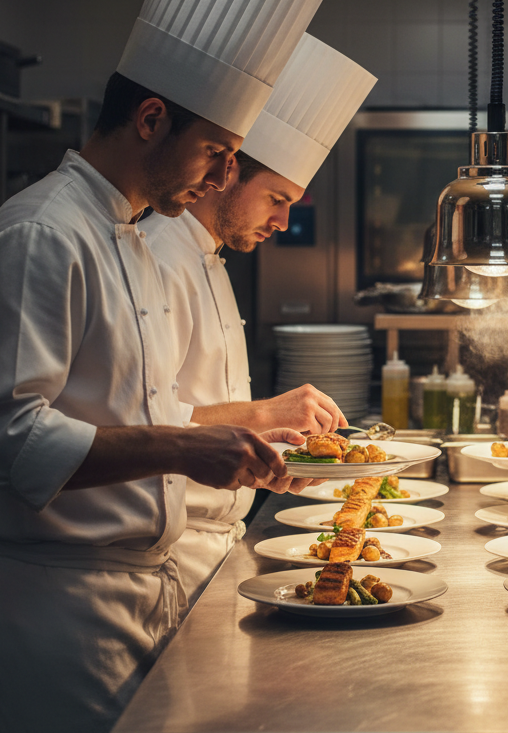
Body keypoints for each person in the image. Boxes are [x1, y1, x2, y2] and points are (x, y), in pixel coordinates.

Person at [0, 0, 324, 733]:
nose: (222, 175)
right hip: (63, 608)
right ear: (151, 119)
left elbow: (134, 412)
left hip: (142, 592)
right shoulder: (42, 233)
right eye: (218, 152)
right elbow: (5, 440)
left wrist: (216, 441)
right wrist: (187, 447)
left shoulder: (125, 233)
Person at [146, 33, 377, 610]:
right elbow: (141, 425)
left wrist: (269, 457)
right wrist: (263, 415)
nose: (283, 220)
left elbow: (198, 423)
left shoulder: (211, 258)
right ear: (226, 173)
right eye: (276, 197)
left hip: (216, 545)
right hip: (171, 552)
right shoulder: (156, 256)